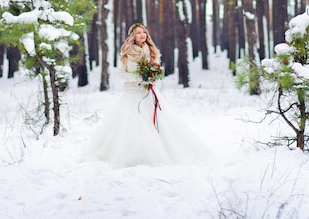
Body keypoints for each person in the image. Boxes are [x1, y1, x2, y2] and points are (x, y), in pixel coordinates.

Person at [82, 23, 213, 169]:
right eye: (138, 32)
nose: (142, 35)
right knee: (130, 125)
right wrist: (138, 77)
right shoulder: (126, 53)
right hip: (131, 94)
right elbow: (121, 74)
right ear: (132, 36)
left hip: (148, 94)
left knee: (158, 125)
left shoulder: (152, 51)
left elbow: (156, 71)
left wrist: (152, 78)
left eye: (144, 32)